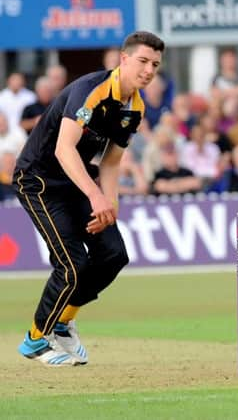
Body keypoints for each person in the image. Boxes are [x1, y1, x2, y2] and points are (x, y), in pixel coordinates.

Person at [12, 31, 165, 366]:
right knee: (72, 264)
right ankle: (37, 339)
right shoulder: (90, 90)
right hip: (39, 181)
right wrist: (95, 195)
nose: (149, 70)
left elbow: (110, 160)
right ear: (123, 59)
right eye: (142, 61)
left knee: (113, 254)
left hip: (76, 183)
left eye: (155, 64)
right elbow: (63, 148)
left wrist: (110, 205)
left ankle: (63, 321)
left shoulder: (134, 106)